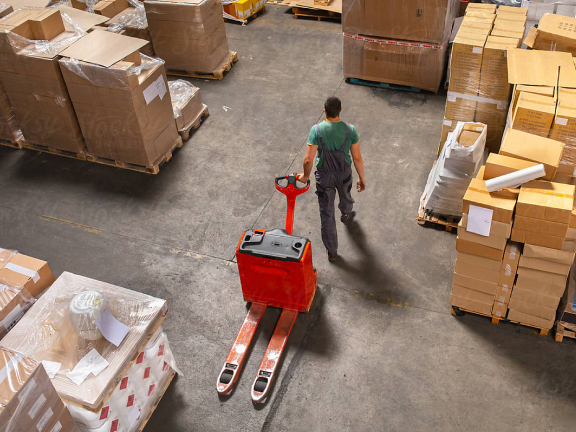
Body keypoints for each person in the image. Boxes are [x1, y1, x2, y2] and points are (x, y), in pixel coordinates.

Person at [298, 96, 366, 263]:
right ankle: (345, 213)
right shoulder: (350, 130)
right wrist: (362, 178)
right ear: (340, 110)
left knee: (327, 214)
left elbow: (308, 159)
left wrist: (305, 176)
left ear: (325, 111)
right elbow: (357, 158)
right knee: (346, 195)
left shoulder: (317, 130)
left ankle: (332, 251)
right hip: (344, 174)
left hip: (325, 176)